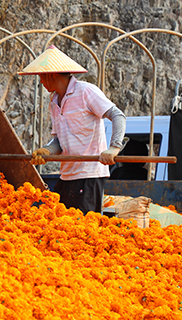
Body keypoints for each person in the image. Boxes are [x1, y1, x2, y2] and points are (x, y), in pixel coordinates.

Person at [18, 45, 126, 214]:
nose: (40, 81)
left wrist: (114, 147)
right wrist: (47, 151)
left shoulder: (85, 91)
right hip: (67, 175)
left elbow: (118, 115)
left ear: (51, 74)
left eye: (41, 76)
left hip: (88, 175)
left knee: (83, 229)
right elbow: (59, 141)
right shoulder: (54, 101)